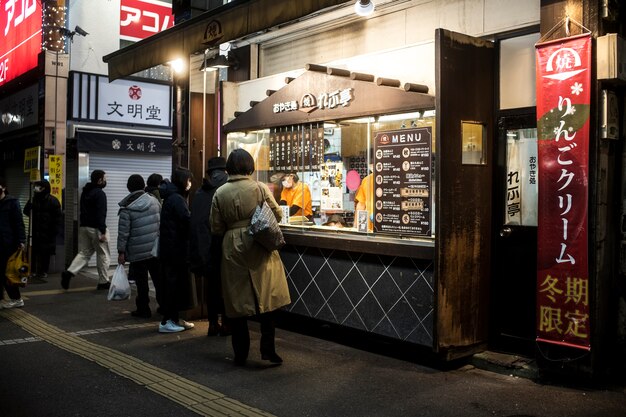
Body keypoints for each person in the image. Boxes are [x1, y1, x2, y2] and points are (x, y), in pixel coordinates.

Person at [210, 149, 291, 366]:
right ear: (250, 166)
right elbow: (277, 214)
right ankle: (268, 350)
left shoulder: (220, 192)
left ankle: (240, 354)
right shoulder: (259, 187)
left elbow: (216, 227)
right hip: (259, 243)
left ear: (229, 167)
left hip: (232, 247)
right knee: (267, 297)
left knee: (237, 302)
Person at [190, 156, 230, 336]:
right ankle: (228, 323)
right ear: (225, 171)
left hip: (206, 247)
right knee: (229, 286)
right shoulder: (228, 188)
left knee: (212, 286)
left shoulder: (200, 191)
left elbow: (196, 222)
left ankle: (213, 323)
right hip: (225, 244)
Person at [117, 174, 163, 319]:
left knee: (141, 283)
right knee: (158, 280)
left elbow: (123, 233)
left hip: (137, 252)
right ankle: (164, 306)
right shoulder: (155, 201)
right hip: (154, 249)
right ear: (143, 186)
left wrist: (121, 252)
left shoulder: (127, 208)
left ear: (129, 188)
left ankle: (144, 309)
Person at [158, 167, 195, 333]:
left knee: (175, 284)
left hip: (171, 248)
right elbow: (186, 221)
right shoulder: (177, 199)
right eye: (188, 180)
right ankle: (167, 321)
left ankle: (175, 318)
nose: (190, 184)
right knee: (173, 285)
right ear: (182, 181)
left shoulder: (171, 197)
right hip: (175, 250)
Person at [61, 170, 111, 290]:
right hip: (96, 228)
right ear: (100, 180)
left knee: (84, 252)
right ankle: (103, 281)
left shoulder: (85, 191)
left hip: (84, 227)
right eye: (105, 178)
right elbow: (101, 213)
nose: (106, 181)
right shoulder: (100, 193)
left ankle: (69, 272)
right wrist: (103, 231)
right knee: (103, 254)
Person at [23, 180, 62, 281]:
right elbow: (26, 211)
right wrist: (30, 206)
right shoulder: (33, 199)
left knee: (45, 253)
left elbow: (58, 218)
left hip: (47, 232)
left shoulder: (53, 200)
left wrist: (53, 232)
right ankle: (33, 271)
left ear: (44, 188)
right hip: (35, 231)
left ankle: (43, 272)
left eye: (39, 187)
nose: (37, 189)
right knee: (33, 252)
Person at [0, 177, 27, 309]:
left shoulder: (12, 203)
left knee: (8, 273)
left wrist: (21, 241)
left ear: (3, 187)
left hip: (8, 244)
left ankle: (17, 299)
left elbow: (18, 224)